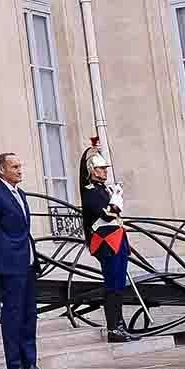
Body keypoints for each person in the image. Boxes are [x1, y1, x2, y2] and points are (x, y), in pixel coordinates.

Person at [0, 150, 53, 369]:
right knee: (13, 317)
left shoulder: (20, 193)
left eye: (20, 166)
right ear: (1, 170)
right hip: (9, 265)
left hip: (26, 262)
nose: (20, 171)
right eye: (14, 167)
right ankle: (15, 368)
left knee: (30, 315)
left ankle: (30, 363)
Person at [79, 137, 134, 343]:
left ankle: (120, 324)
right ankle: (113, 328)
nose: (105, 171)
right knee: (112, 284)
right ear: (92, 170)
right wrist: (116, 199)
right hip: (106, 243)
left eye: (105, 168)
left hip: (117, 240)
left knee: (119, 284)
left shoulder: (103, 189)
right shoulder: (90, 192)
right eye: (101, 169)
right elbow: (107, 215)